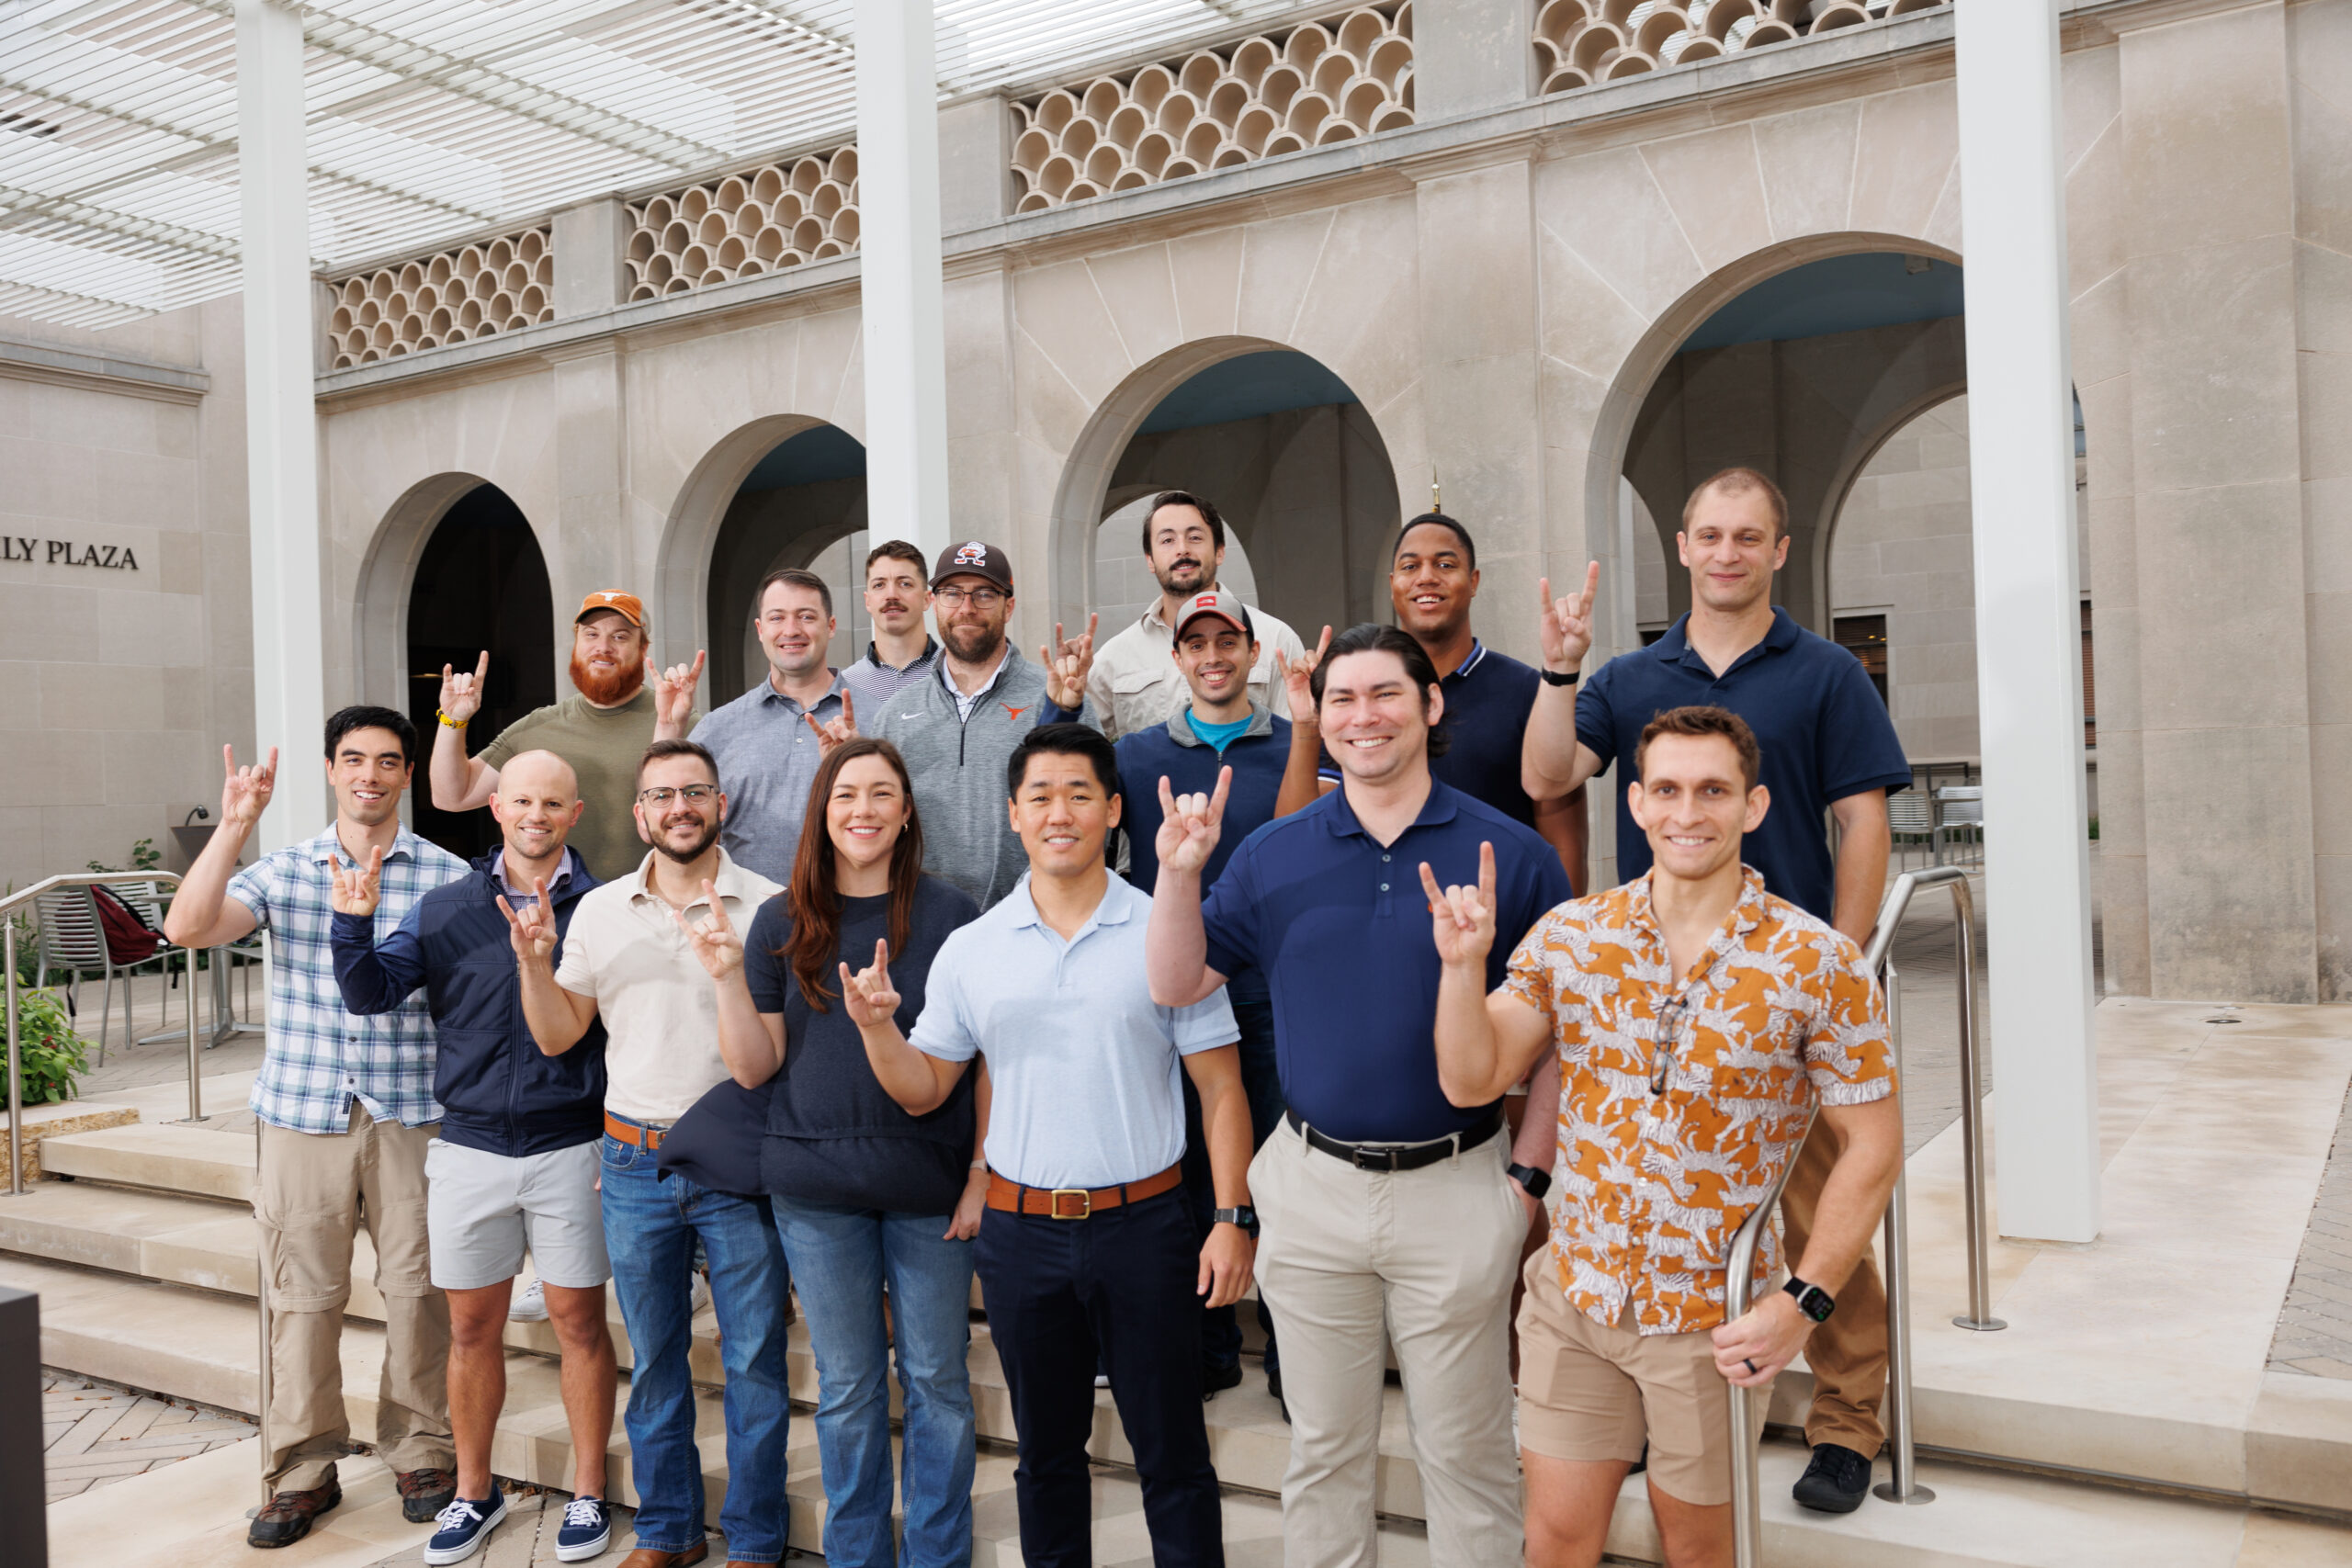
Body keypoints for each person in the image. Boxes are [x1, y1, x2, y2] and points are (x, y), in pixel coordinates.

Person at [1520, 466, 1915, 1515]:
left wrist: (1845, 960)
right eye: (1709, 535)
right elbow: (1550, 776)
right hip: (1656, 987)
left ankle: (1844, 1419)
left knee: (1820, 1206)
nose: (1728, 552)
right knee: (1664, 1213)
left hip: (1780, 999)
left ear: (1779, 551)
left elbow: (1862, 820)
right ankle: (1656, 1409)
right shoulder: (1629, 675)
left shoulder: (1826, 672)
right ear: (1683, 548)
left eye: (1749, 536)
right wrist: (1559, 672)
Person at [1430, 705, 1903, 1568]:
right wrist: (1462, 972)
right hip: (1575, 1303)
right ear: (1638, 803)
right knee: (1557, 1541)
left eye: (1714, 790)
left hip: (1711, 1328)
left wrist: (1804, 1302)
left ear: (1753, 807)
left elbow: (1873, 1145)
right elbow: (1472, 1077)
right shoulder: (1574, 937)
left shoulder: (1820, 963)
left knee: (1698, 1551)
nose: (1690, 812)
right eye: (1670, 790)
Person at [1146, 626, 1571, 1568]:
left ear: (1429, 708)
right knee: (1324, 1453)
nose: (1361, 716)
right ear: (1319, 717)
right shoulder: (1271, 854)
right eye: (1341, 699)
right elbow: (1178, 984)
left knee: (1466, 1455)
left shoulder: (1511, 856)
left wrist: (1530, 1180)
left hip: (1458, 1187)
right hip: (1311, 1186)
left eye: (1384, 694)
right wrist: (1179, 875)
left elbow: (1560, 1046)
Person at [849, 723, 1257, 1568]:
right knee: (1046, 1458)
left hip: (1146, 1226)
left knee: (1174, 1455)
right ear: (1013, 813)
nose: (1058, 812)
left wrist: (1231, 1216)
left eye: (1079, 794)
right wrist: (878, 1032)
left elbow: (1222, 1087)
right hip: (1021, 1233)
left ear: (1113, 810)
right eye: (1040, 796)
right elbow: (926, 1086)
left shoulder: (1167, 929)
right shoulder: (974, 948)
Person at [671, 737, 988, 1568]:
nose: (864, 810)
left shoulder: (952, 916)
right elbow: (752, 1066)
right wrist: (724, 978)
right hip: (815, 1188)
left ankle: (936, 1555)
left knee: (938, 1386)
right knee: (846, 1391)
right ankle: (855, 1556)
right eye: (847, 794)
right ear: (823, 809)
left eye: (882, 793)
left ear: (907, 810)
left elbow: (989, 1062)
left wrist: (982, 1175)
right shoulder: (782, 919)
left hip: (928, 1180)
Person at [162, 708, 468, 1550]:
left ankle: (423, 1448)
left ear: (408, 774)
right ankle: (300, 1468)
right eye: (354, 758)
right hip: (304, 1112)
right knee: (302, 1299)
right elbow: (184, 927)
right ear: (332, 769)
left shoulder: (447, 877)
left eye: (388, 761)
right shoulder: (285, 869)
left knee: (419, 1292)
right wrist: (233, 827)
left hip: (414, 1111)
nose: (370, 773)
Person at [503, 739, 791, 1568]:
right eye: (661, 794)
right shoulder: (598, 912)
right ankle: (669, 1529)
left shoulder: (767, 906)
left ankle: (758, 1538)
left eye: (694, 791)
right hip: (633, 1162)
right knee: (658, 1359)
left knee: (756, 1362)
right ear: (639, 814)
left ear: (720, 803)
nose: (679, 807)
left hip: (738, 1163)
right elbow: (560, 1034)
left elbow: (765, 1060)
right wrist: (534, 966)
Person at [329, 750, 618, 1565]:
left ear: (575, 812)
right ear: (497, 808)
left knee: (578, 1325)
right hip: (470, 1145)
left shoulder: (600, 909)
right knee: (469, 1326)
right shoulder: (446, 905)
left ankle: (589, 1492)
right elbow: (370, 992)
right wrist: (352, 921)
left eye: (552, 802)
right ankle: (473, 1492)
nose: (535, 813)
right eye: (521, 798)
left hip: (573, 1144)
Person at [1102, 590, 1289, 1408]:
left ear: (1254, 652)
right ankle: (1208, 1345)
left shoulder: (1294, 746)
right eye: (1197, 644)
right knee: (1181, 1173)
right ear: (1176, 660)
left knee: (1279, 1172)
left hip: (1272, 992)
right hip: (1173, 994)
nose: (1213, 655)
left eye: (1228, 641)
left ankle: (1291, 1357)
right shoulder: (1139, 756)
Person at [859, 540, 1097, 909]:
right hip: (921, 926)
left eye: (984, 594)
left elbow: (1092, 814)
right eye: (953, 594)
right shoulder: (894, 715)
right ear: (933, 602)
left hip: (1034, 919)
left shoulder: (1055, 697)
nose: (967, 608)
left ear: (1009, 605)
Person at [432, 591, 704, 882]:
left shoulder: (685, 723)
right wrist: (453, 720)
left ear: (643, 648)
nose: (603, 647)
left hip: (652, 909)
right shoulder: (536, 727)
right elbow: (452, 796)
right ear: (575, 644)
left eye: (620, 637)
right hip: (557, 914)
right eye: (591, 634)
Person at [675, 568, 850, 886]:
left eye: (807, 617)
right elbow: (671, 822)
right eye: (777, 618)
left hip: (848, 916)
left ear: (832, 625)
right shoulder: (716, 729)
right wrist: (668, 725)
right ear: (760, 629)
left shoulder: (878, 718)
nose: (791, 630)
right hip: (745, 923)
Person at [1085, 491, 1307, 740]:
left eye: (1194, 537)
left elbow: (1298, 739)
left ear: (1220, 551)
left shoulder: (1276, 639)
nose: (1182, 549)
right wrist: (1064, 706)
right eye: (1167, 540)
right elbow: (1079, 747)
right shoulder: (1114, 657)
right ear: (1150, 559)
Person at [838, 539, 941, 705]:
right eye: (879, 585)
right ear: (868, 601)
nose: (891, 594)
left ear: (926, 599)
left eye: (905, 584)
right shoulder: (845, 686)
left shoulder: (956, 673)